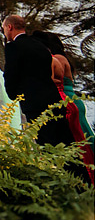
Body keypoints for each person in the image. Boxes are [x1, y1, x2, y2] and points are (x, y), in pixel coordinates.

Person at [2, 15, 76, 148]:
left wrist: (14, 94)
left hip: (34, 102)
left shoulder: (13, 47)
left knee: (47, 143)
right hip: (53, 98)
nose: (5, 32)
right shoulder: (39, 44)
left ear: (9, 27)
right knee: (66, 141)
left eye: (4, 29)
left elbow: (11, 73)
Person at [34, 31, 94, 181]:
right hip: (72, 97)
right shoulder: (63, 57)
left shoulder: (56, 59)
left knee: (79, 136)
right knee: (83, 132)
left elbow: (55, 80)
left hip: (66, 98)